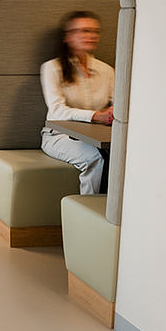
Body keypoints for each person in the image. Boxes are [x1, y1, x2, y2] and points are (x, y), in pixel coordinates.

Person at [40, 10, 114, 194]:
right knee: (94, 158)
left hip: (98, 138)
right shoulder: (52, 68)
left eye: (94, 31)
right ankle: (88, 215)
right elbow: (56, 110)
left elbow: (118, 107)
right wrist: (96, 116)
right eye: (82, 31)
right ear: (67, 37)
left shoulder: (107, 71)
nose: (89, 35)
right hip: (57, 136)